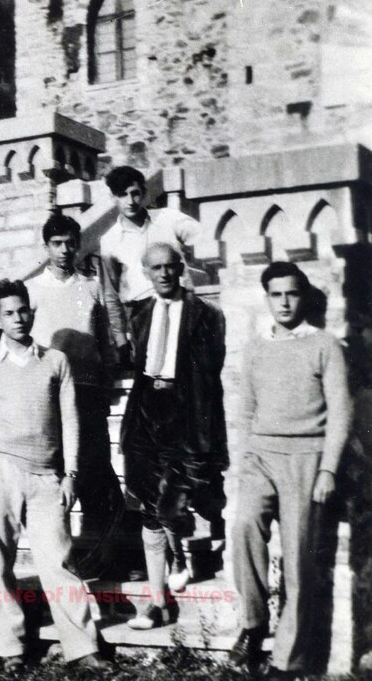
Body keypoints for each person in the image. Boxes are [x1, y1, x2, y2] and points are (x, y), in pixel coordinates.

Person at [0, 279, 111, 671]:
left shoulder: (55, 361)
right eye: (9, 313)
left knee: (57, 560)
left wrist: (71, 474)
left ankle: (83, 648)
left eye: (23, 310)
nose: (18, 319)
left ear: (31, 312)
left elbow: (70, 420)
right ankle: (11, 649)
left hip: (46, 474)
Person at [230, 262, 353, 679]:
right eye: (276, 294)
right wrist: (245, 459)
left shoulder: (325, 345)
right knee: (244, 527)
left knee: (300, 561)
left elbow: (341, 412)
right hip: (261, 456)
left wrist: (328, 469)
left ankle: (287, 660)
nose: (284, 302)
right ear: (267, 298)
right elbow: (246, 407)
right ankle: (253, 623)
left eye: (292, 293)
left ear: (303, 297)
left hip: (307, 458)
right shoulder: (256, 347)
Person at [120, 243, 228, 629]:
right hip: (147, 410)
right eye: (156, 268)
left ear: (180, 268)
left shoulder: (206, 314)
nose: (164, 274)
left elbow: (213, 374)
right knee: (149, 507)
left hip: (187, 413)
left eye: (170, 266)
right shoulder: (140, 314)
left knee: (172, 502)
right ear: (146, 272)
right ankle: (156, 601)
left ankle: (180, 556)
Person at [26, 214, 122, 562]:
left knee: (96, 470)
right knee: (56, 472)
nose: (64, 250)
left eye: (70, 243)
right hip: (49, 394)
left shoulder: (91, 287)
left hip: (87, 391)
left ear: (79, 246)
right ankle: (58, 557)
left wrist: (105, 382)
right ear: (46, 247)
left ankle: (104, 556)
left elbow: (104, 341)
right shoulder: (32, 290)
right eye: (57, 244)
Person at [99, 166, 200, 364]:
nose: (130, 201)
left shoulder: (168, 219)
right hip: (141, 314)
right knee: (151, 374)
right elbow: (111, 294)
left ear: (144, 193)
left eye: (135, 193)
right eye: (122, 195)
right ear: (113, 198)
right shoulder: (109, 240)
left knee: (187, 370)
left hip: (180, 306)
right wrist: (120, 340)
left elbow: (204, 236)